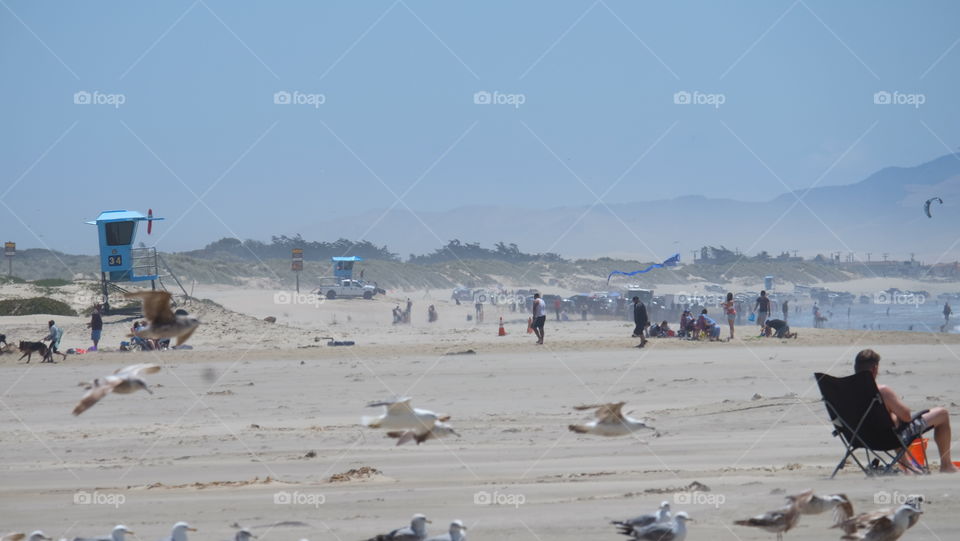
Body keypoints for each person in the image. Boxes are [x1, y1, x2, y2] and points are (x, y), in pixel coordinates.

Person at [854, 349, 957, 473]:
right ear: (875, 369)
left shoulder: (846, 393)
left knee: (890, 421)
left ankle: (907, 465)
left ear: (855, 367)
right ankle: (946, 465)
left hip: (860, 437)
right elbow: (906, 417)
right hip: (888, 438)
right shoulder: (882, 391)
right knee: (942, 414)